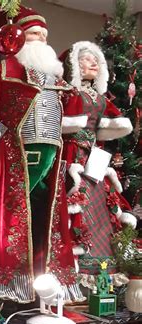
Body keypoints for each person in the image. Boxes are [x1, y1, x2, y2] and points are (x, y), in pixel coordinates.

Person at [0, 7, 86, 305]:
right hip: (13, 158)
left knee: (45, 225)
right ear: (18, 38)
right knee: (10, 225)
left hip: (51, 164)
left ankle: (44, 287)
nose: (41, 40)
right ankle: (7, 288)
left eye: (44, 35)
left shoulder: (58, 82)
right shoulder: (2, 73)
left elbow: (68, 126)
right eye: (34, 34)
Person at [60, 41, 135, 282]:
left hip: (94, 156)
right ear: (74, 65)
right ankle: (74, 268)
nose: (94, 63)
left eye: (96, 60)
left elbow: (115, 120)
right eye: (87, 59)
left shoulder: (101, 98)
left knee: (100, 206)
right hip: (72, 155)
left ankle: (103, 270)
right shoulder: (68, 92)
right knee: (76, 202)